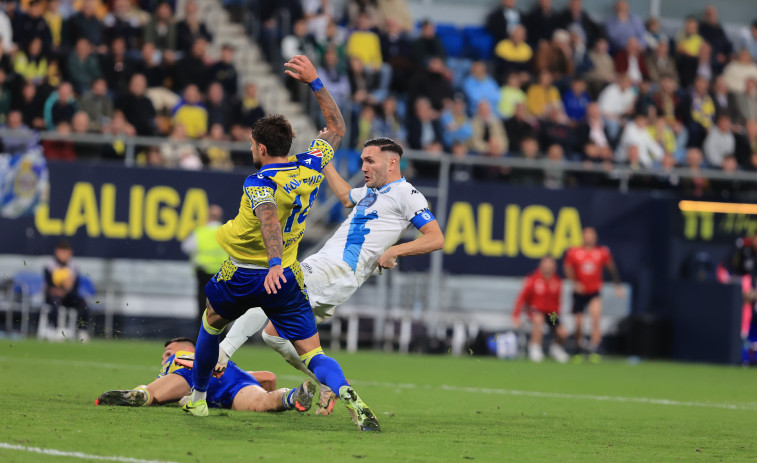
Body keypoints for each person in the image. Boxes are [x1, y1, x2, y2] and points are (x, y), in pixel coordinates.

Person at [183, 55, 381, 432]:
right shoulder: (311, 164)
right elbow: (337, 126)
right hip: (288, 276)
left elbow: (269, 218)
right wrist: (316, 82)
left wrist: (272, 263)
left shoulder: (259, 182)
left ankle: (197, 400)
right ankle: (350, 398)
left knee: (211, 323)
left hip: (246, 271)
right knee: (314, 351)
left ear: (260, 148)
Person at [218, 136, 444, 414]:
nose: (363, 166)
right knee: (273, 335)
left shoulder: (407, 194)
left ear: (392, 163)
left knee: (272, 290)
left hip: (336, 269)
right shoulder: (373, 191)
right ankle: (331, 384)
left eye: (370, 161)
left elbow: (435, 238)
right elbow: (346, 196)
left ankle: (223, 352)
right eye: (362, 160)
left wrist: (395, 251)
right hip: (333, 273)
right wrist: (323, 160)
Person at [95, 337, 316, 413]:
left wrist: (175, 359)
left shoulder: (178, 358)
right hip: (232, 379)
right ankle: (291, 397)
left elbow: (182, 364)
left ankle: (141, 394)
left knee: (152, 392)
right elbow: (268, 377)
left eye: (166, 354)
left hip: (194, 372)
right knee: (262, 402)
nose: (164, 358)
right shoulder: (227, 364)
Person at [563, 227, 623, 362]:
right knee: (579, 322)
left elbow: (611, 268)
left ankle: (595, 348)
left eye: (591, 235)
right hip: (579, 293)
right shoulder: (574, 252)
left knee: (595, 318)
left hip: (594, 291)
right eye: (586, 235)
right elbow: (567, 268)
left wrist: (617, 285)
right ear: (582, 237)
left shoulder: (601, 252)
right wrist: (575, 283)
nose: (589, 238)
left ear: (595, 237)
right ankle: (578, 348)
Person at [512, 257, 569, 363]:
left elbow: (557, 302)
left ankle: (556, 349)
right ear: (541, 266)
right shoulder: (533, 279)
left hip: (551, 313)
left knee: (563, 332)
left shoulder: (557, 281)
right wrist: (515, 316)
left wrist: (556, 321)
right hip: (535, 311)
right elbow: (521, 298)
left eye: (550, 265)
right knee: (539, 320)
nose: (548, 268)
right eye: (546, 265)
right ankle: (535, 348)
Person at [181, 205, 228, 323]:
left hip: (203, 274)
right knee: (221, 305)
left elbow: (186, 247)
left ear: (208, 217)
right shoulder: (226, 232)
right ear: (220, 217)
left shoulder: (200, 232)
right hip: (222, 274)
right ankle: (220, 335)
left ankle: (201, 332)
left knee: (203, 305)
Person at [42, 240, 89, 342]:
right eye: (61, 252)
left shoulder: (74, 266)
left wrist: (67, 289)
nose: (63, 255)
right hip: (53, 296)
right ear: (56, 252)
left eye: (66, 253)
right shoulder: (49, 266)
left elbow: (75, 286)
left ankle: (81, 331)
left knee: (83, 303)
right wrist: (62, 286)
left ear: (70, 253)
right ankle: (56, 329)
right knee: (55, 301)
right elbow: (49, 285)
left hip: (68, 295)